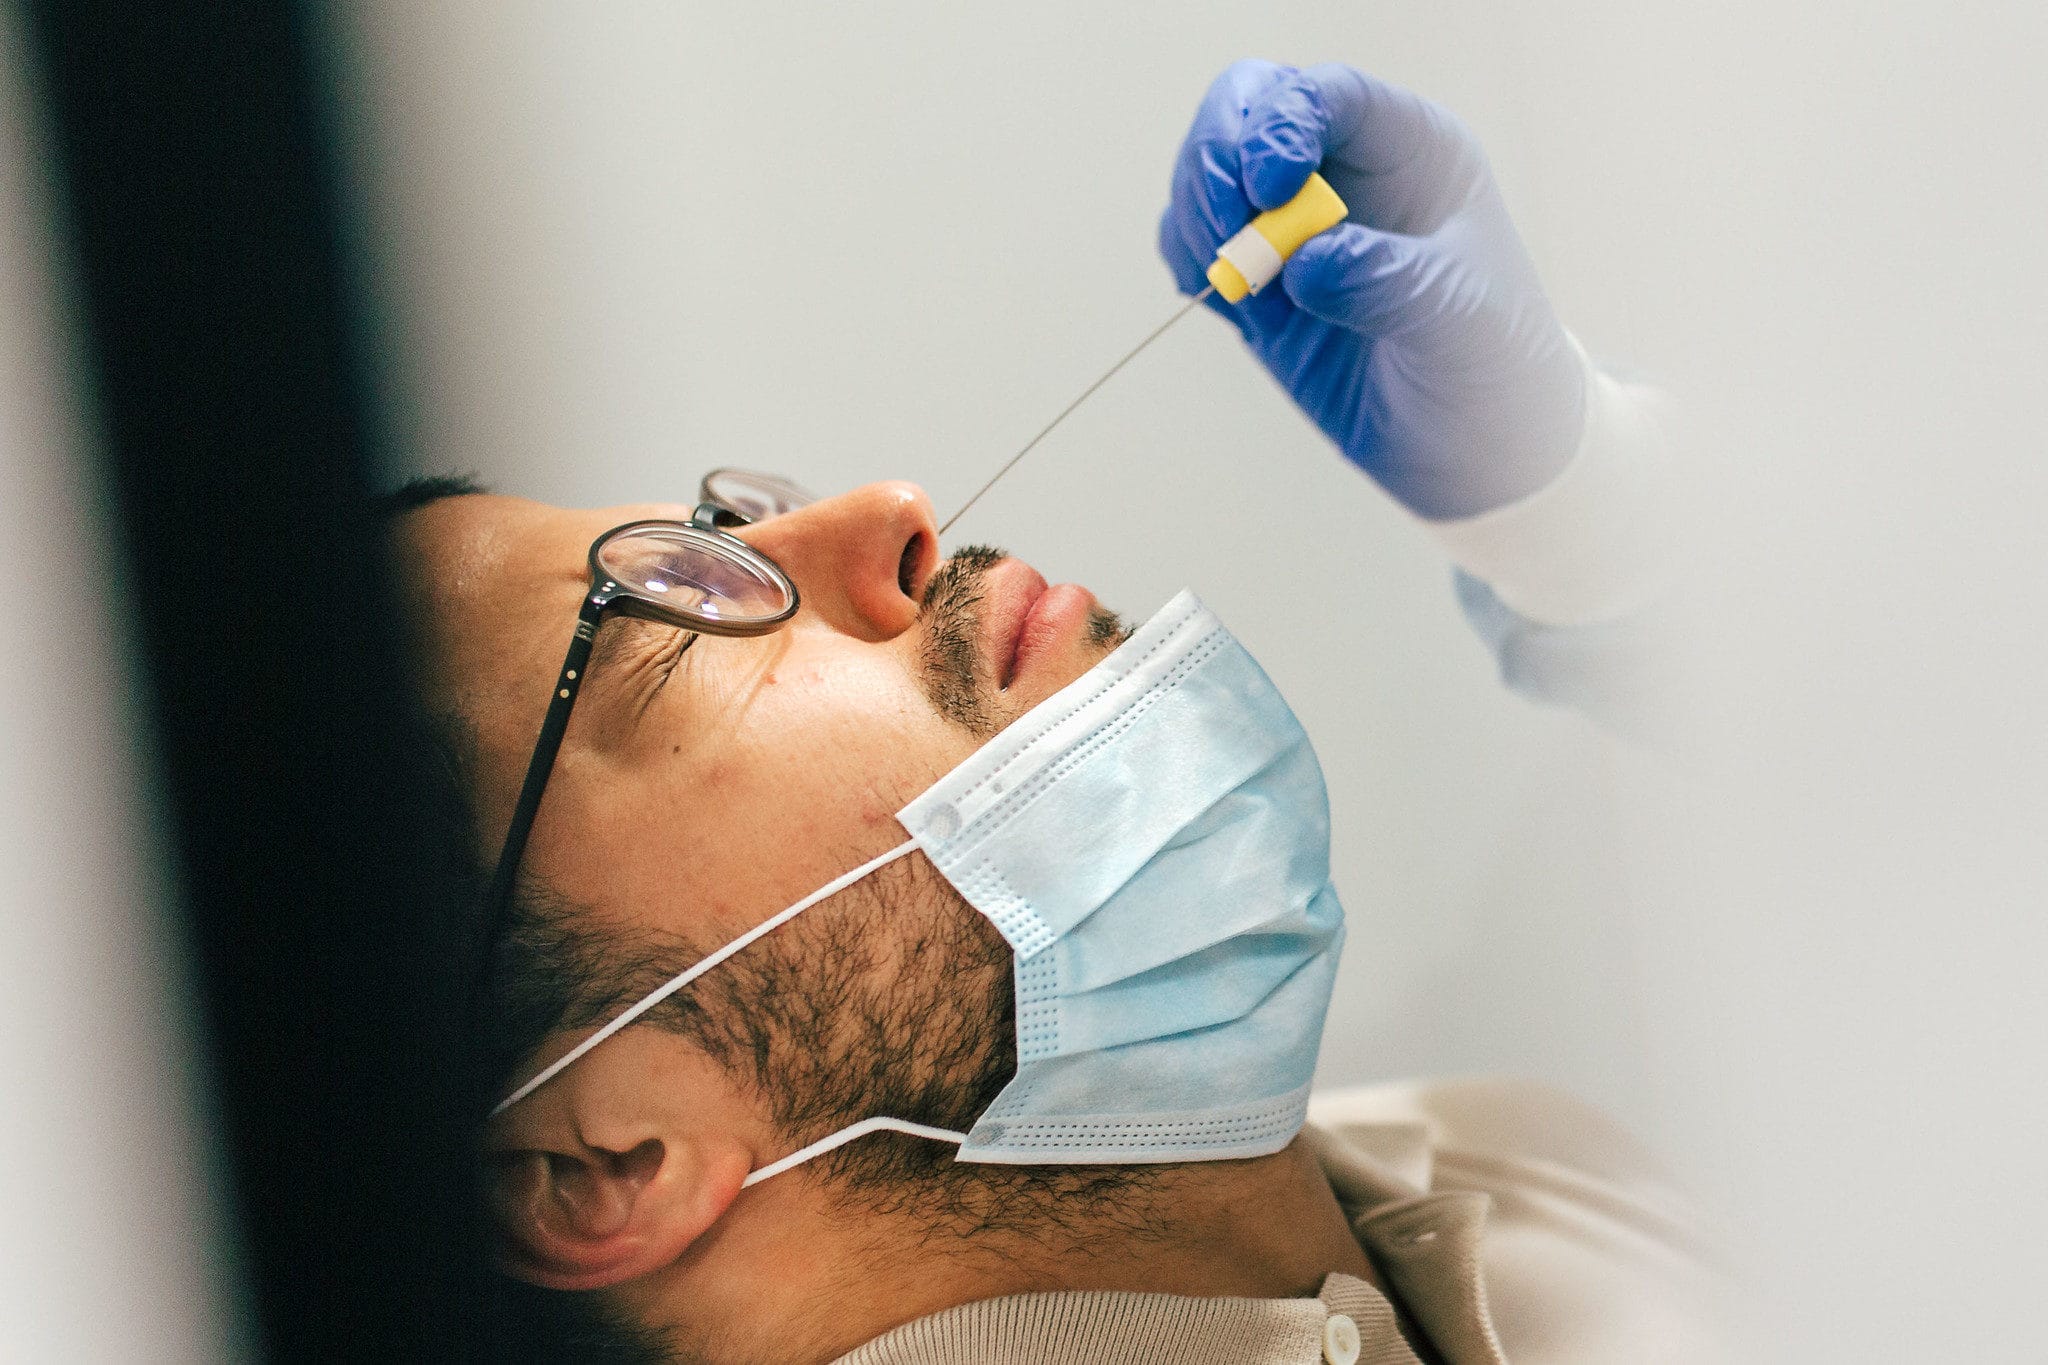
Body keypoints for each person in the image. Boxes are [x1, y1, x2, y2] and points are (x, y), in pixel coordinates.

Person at [390, 60, 1724, 1364]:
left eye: (713, 528)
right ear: (605, 1164)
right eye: (674, 602)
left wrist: (1589, 529)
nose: (888, 514)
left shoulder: (1530, 1161)